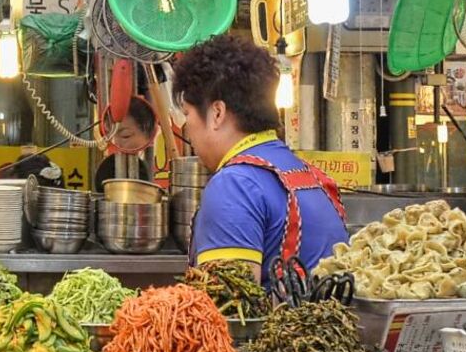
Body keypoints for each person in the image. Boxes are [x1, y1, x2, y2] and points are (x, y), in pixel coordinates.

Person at [171, 34, 348, 275]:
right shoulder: (308, 175)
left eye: (187, 113)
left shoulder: (234, 186)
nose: (186, 127)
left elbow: (229, 296)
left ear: (217, 113)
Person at [92, 99, 156, 191]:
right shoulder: (109, 167)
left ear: (148, 130)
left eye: (125, 135)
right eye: (112, 137)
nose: (117, 144)